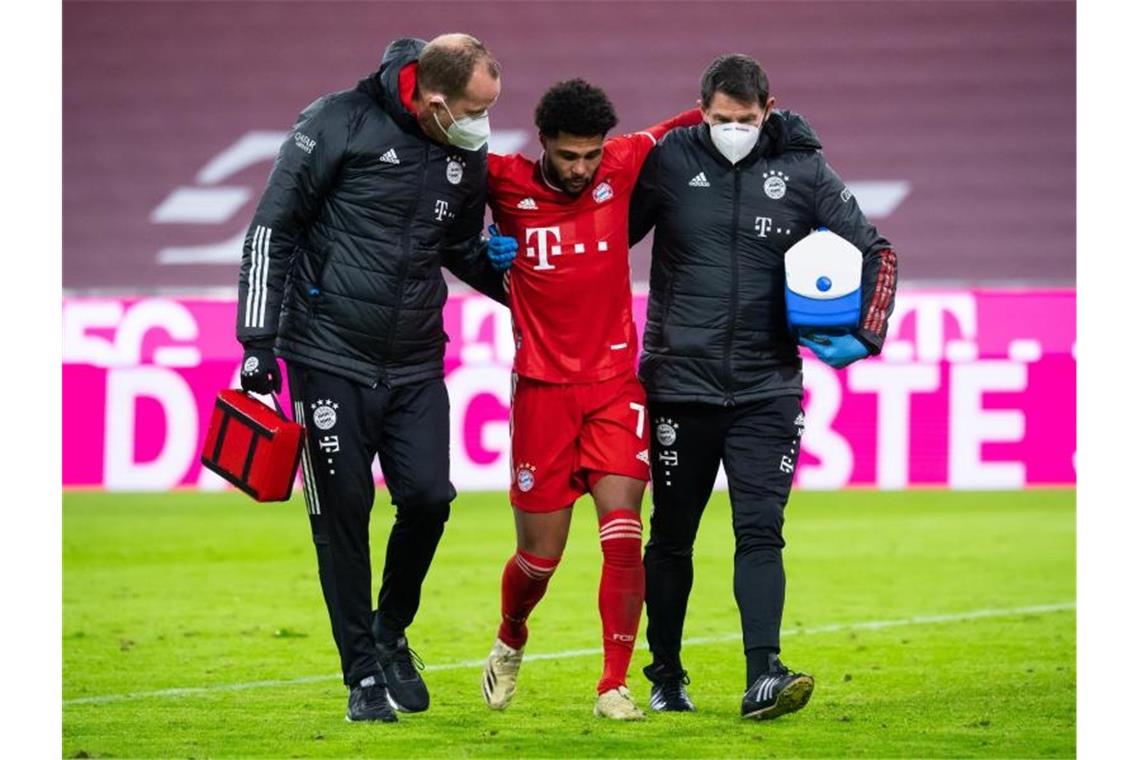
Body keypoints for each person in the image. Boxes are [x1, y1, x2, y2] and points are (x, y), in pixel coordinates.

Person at [234, 34, 514, 723]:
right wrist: (256, 340)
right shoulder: (336, 121)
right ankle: (361, 675)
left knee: (429, 499)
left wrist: (514, 278)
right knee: (344, 515)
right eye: (474, 111)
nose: (482, 128)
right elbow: (273, 228)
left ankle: (391, 632)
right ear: (433, 98)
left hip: (417, 355)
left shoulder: (462, 148)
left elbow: (455, 248)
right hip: (328, 355)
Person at [629, 53, 898, 719]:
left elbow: (876, 251)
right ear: (702, 111)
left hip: (766, 387)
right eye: (721, 120)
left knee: (761, 532)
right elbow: (607, 241)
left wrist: (865, 330)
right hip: (678, 385)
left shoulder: (804, 170)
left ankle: (762, 677)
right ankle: (665, 675)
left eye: (746, 120)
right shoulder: (667, 161)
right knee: (670, 536)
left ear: (768, 110)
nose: (733, 130)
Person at [477, 79, 701, 720]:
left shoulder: (625, 159)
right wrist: (478, 251)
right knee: (539, 560)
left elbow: (690, 117)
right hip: (542, 393)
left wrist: (765, 113)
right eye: (569, 155)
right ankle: (512, 635)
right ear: (542, 141)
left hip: (613, 388)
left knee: (624, 535)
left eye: (590, 155)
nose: (581, 168)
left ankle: (613, 685)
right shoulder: (501, 179)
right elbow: (436, 188)